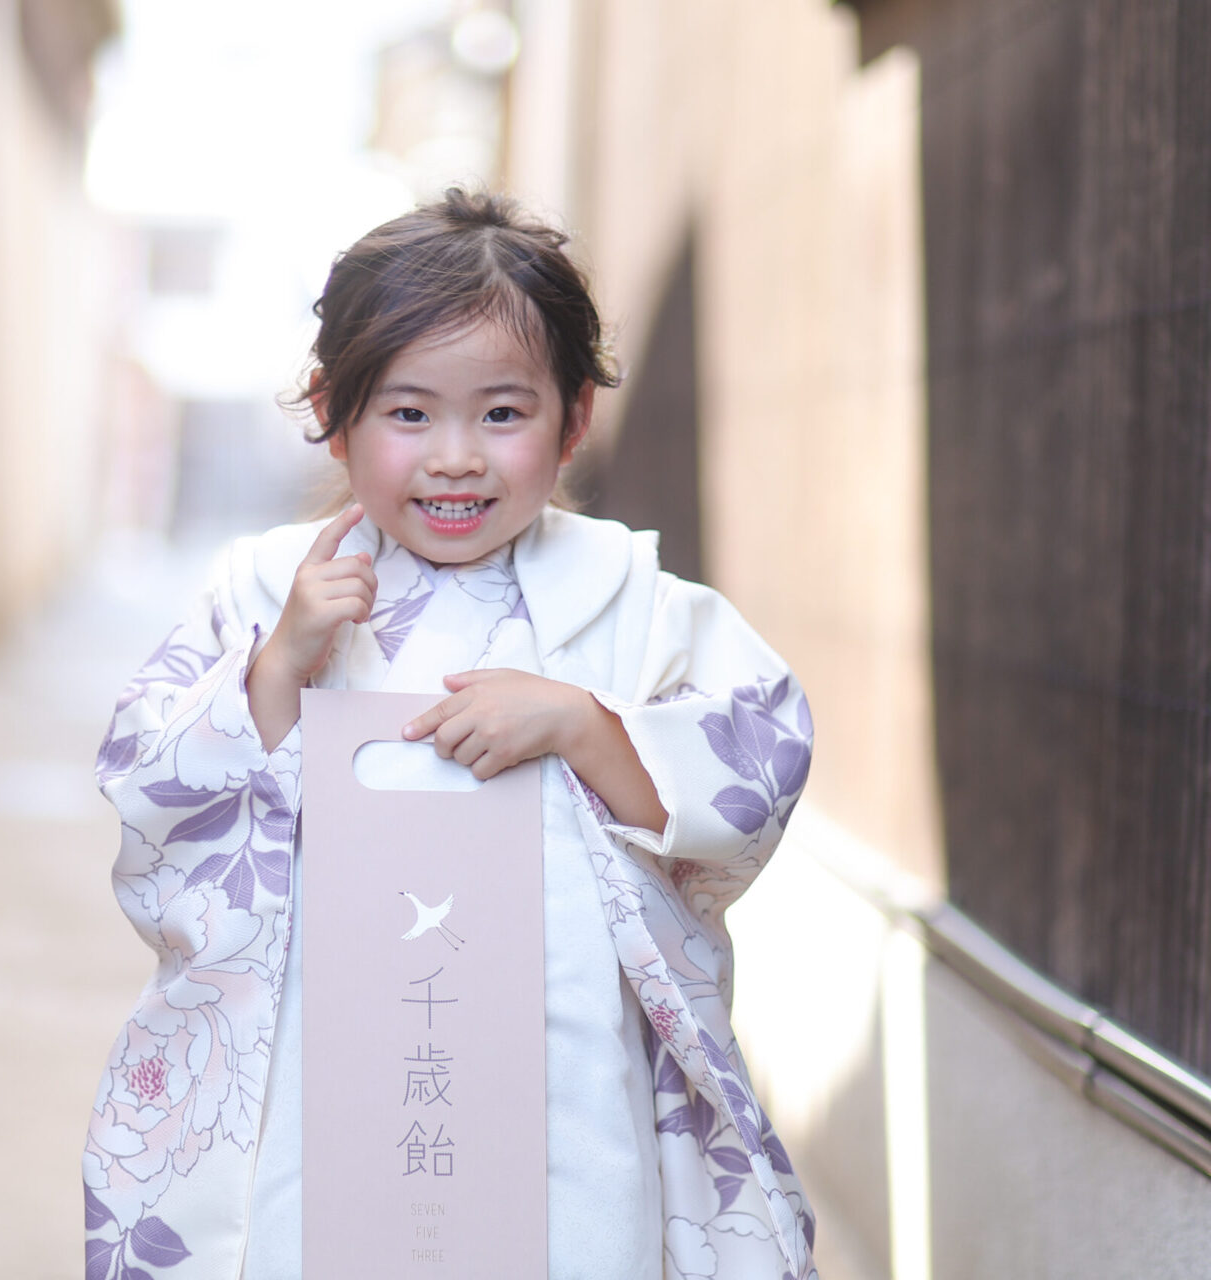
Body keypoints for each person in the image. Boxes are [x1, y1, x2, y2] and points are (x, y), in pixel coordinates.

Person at [84, 189, 817, 1280]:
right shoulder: (265, 589)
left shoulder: (631, 599)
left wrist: (584, 726)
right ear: (334, 413)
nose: (458, 457)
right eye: (411, 413)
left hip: (560, 1058)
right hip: (326, 1056)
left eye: (504, 414)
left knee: (567, 1234)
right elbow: (149, 783)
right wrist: (279, 665)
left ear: (574, 418)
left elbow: (762, 757)